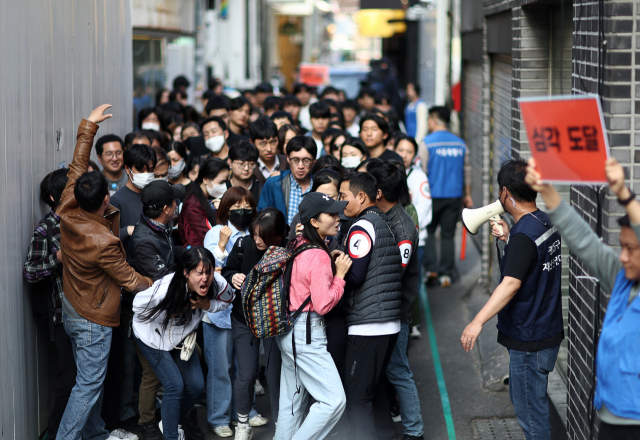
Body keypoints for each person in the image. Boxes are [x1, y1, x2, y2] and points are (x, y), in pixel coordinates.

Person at [524, 157, 640, 440]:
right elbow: (584, 241)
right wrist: (548, 191)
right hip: (611, 415)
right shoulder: (623, 279)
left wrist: (623, 193)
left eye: (631, 248)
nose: (622, 256)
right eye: (621, 247)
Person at [56, 104, 153, 440]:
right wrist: (158, 282)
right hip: (93, 317)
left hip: (74, 305)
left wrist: (88, 128)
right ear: (104, 200)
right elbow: (130, 279)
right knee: (87, 386)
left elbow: (76, 168)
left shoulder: (68, 206)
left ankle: (95, 434)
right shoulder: (102, 241)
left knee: (89, 382)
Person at [461, 159, 563, 440]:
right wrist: (508, 238)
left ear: (505, 192)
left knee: (531, 415)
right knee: (535, 408)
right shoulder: (545, 221)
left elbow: (510, 284)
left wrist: (477, 321)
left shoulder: (523, 236)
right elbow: (531, 265)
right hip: (546, 329)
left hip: (529, 337)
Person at [133, 247, 233, 440]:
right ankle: (171, 435)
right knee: (174, 386)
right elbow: (137, 305)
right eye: (199, 273)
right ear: (186, 273)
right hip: (151, 337)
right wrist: (170, 307)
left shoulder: (217, 283)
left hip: (180, 339)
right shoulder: (166, 288)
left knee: (196, 386)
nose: (205, 278)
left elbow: (228, 301)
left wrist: (208, 305)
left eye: (209, 272)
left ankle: (170, 422)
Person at [274, 193, 352, 440]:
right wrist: (339, 276)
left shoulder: (297, 244)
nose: (337, 218)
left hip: (288, 331)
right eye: (331, 214)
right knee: (333, 401)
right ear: (315, 222)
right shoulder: (318, 254)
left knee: (292, 403)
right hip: (307, 336)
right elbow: (324, 304)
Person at [338, 172, 403, 440]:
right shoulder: (385, 221)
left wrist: (337, 266)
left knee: (356, 397)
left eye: (343, 196)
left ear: (361, 197)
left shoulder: (361, 227)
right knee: (373, 389)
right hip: (388, 321)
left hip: (368, 325)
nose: (340, 202)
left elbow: (356, 274)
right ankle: (389, 435)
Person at [130, 181, 194, 440]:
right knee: (151, 374)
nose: (177, 206)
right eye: (175, 203)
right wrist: (188, 272)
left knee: (184, 376)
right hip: (149, 317)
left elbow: (170, 254)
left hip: (167, 314)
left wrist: (190, 254)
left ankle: (171, 417)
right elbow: (163, 277)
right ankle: (146, 423)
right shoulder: (144, 241)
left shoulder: (159, 225)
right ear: (167, 208)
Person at [368, 163, 424, 440]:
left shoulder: (402, 225)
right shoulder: (383, 215)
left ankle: (415, 431)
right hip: (384, 310)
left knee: (398, 369)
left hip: (395, 312)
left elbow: (396, 270)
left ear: (378, 192)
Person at [222, 208, 288, 440]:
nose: (257, 240)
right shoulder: (243, 245)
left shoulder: (287, 249)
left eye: (263, 236)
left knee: (274, 373)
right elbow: (228, 268)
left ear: (278, 236)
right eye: (254, 234)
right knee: (246, 373)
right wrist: (232, 276)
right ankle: (242, 423)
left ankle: (282, 423)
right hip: (244, 317)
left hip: (274, 321)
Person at [202, 188, 262, 437]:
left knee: (245, 368)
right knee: (221, 369)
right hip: (219, 313)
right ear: (225, 209)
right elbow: (208, 270)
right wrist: (223, 245)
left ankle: (247, 413)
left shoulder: (254, 233)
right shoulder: (216, 233)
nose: (242, 211)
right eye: (236, 206)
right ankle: (219, 418)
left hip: (246, 312)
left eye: (247, 206)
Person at [24, 168, 75, 440]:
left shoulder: (84, 220)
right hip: (63, 313)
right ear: (56, 196)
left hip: (91, 312)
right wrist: (57, 258)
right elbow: (30, 271)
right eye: (70, 190)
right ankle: (56, 434)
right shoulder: (46, 228)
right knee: (69, 378)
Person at [421, 106, 472, 287]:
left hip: (432, 196)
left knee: (428, 231)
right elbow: (467, 171)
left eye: (429, 119)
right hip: (454, 195)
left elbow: (423, 170)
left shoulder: (427, 142)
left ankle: (431, 269)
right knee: (448, 235)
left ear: (434, 120)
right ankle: (446, 274)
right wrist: (467, 195)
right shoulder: (460, 144)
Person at [394, 135, 432, 325]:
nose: (405, 155)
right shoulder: (390, 172)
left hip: (417, 239)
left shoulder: (419, 177)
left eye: (409, 152)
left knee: (411, 283)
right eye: (401, 150)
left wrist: (410, 230)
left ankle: (412, 321)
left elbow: (424, 210)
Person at [258, 136, 316, 225]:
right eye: (295, 160)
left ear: (314, 161)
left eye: (306, 160)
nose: (300, 166)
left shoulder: (319, 186)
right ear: (288, 159)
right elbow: (262, 219)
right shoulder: (274, 184)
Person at [111, 143, 157, 244]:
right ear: (127, 169)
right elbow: (109, 235)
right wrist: (127, 231)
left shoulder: (157, 195)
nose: (146, 174)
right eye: (141, 170)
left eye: (150, 170)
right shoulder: (116, 200)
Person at [179, 158, 230, 247]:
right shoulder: (193, 206)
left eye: (226, 182)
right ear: (206, 179)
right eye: (221, 182)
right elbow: (207, 239)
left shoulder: (209, 197)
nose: (224, 186)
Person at [250, 116, 289, 184]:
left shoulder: (287, 162)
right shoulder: (249, 166)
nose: (269, 149)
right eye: (263, 144)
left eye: (273, 142)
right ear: (252, 142)